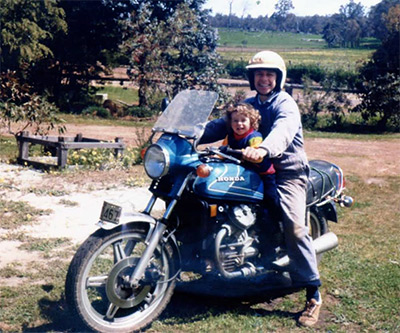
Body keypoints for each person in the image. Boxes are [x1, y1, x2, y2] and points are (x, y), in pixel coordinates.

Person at [200, 50, 322, 327]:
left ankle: (313, 293)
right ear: (251, 78)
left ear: (278, 78)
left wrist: (265, 148)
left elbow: (283, 130)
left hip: (286, 172)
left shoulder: (286, 104)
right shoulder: (249, 103)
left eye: (269, 74)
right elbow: (221, 125)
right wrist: (190, 133)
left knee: (293, 225)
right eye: (259, 74)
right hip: (251, 169)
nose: (264, 79)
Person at [222, 102, 282, 224]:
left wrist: (249, 152)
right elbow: (223, 149)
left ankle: (277, 225)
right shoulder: (230, 136)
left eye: (243, 120)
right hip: (244, 173)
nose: (239, 123)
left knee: (270, 199)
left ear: (252, 121)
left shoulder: (254, 137)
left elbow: (256, 154)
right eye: (235, 120)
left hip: (263, 173)